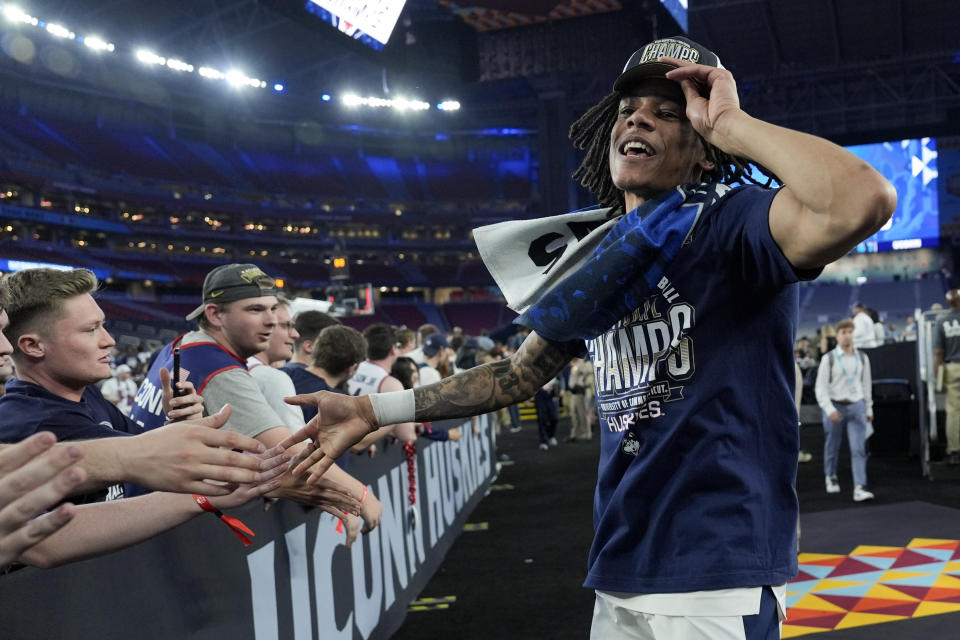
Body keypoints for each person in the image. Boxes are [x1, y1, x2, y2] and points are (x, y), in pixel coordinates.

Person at [283, 35, 896, 639]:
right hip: (621, 563)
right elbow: (515, 375)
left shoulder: (733, 221)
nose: (640, 119)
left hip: (716, 569)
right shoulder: (603, 258)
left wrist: (732, 124)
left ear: (703, 146)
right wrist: (371, 408)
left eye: (669, 112)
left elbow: (861, 200)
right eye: (629, 109)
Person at [0, 268, 276, 501]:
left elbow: (144, 451)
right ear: (33, 346)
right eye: (90, 329)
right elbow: (162, 466)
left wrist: (181, 424)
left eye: (103, 325)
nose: (108, 340)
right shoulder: (37, 426)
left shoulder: (83, 395)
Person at [130, 264, 360, 515]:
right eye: (255, 309)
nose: (271, 320)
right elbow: (289, 455)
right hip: (152, 518)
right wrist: (363, 498)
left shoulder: (181, 345)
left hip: (138, 504)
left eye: (273, 309)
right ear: (215, 315)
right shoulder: (221, 370)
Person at [246, 301, 380, 538]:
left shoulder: (282, 374)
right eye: (286, 326)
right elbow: (294, 450)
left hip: (273, 499)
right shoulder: (277, 380)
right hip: (306, 503)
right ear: (352, 368)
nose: (293, 334)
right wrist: (360, 495)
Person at [814, 319, 875, 501]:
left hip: (857, 406)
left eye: (850, 331)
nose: (848, 335)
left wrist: (869, 408)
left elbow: (866, 385)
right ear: (837, 335)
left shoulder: (862, 357)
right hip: (835, 406)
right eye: (844, 332)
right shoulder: (829, 359)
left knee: (858, 449)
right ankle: (830, 476)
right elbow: (820, 388)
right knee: (832, 445)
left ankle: (859, 486)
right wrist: (828, 408)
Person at [346, 324, 416, 445]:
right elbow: (407, 436)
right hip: (357, 449)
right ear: (393, 349)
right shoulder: (390, 384)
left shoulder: (350, 368)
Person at [933, 289, 960, 465]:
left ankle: (954, 451)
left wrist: (938, 378)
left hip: (953, 369)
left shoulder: (942, 322)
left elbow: (938, 353)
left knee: (954, 412)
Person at [566, 357, 596, 442]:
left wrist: (582, 379)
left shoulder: (583, 363)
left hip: (582, 391)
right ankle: (575, 434)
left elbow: (589, 371)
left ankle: (586, 433)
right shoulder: (573, 364)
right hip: (573, 392)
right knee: (574, 414)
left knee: (584, 413)